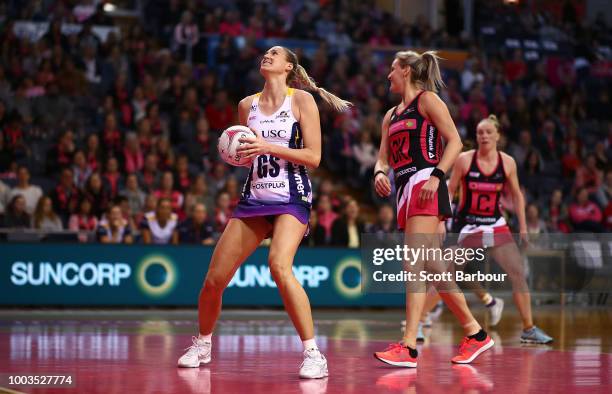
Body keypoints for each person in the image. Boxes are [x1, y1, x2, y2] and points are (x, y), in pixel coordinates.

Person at [177, 46, 351, 379]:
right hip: (255, 197)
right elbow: (247, 155)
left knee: (278, 266)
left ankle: (313, 353)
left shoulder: (301, 101)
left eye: (275, 54)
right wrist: (236, 152)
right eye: (265, 54)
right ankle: (203, 343)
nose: (267, 56)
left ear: (289, 66)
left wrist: (268, 146)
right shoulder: (247, 105)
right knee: (214, 280)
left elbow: (314, 157)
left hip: (291, 197)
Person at [373, 50, 493, 368]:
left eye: (392, 69)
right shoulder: (390, 116)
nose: (388, 75)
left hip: (426, 180)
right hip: (404, 188)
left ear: (408, 71)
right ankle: (476, 333)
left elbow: (454, 141)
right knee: (434, 269)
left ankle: (409, 346)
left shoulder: (427, 101)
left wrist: (438, 176)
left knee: (412, 264)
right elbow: (383, 156)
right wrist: (379, 172)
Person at [425, 115, 553, 343]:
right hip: (469, 225)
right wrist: (442, 220)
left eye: (488, 132)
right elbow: (448, 190)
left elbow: (517, 196)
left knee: (518, 273)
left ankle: (529, 329)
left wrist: (522, 227)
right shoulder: (464, 160)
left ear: (498, 136)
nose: (483, 136)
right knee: (445, 274)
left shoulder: (507, 162)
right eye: (479, 133)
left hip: (495, 224)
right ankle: (417, 321)